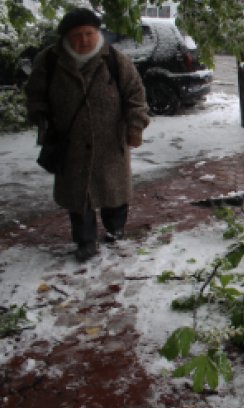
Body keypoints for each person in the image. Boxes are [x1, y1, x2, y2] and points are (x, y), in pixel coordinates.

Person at [25, 8, 150, 262]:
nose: (84, 40)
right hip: (69, 142)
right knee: (79, 197)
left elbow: (136, 95)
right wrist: (41, 117)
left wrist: (136, 126)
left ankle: (115, 230)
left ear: (97, 33)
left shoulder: (114, 59)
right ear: (65, 37)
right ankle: (85, 241)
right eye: (77, 35)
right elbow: (34, 94)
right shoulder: (50, 61)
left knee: (113, 193)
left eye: (89, 33)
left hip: (110, 143)